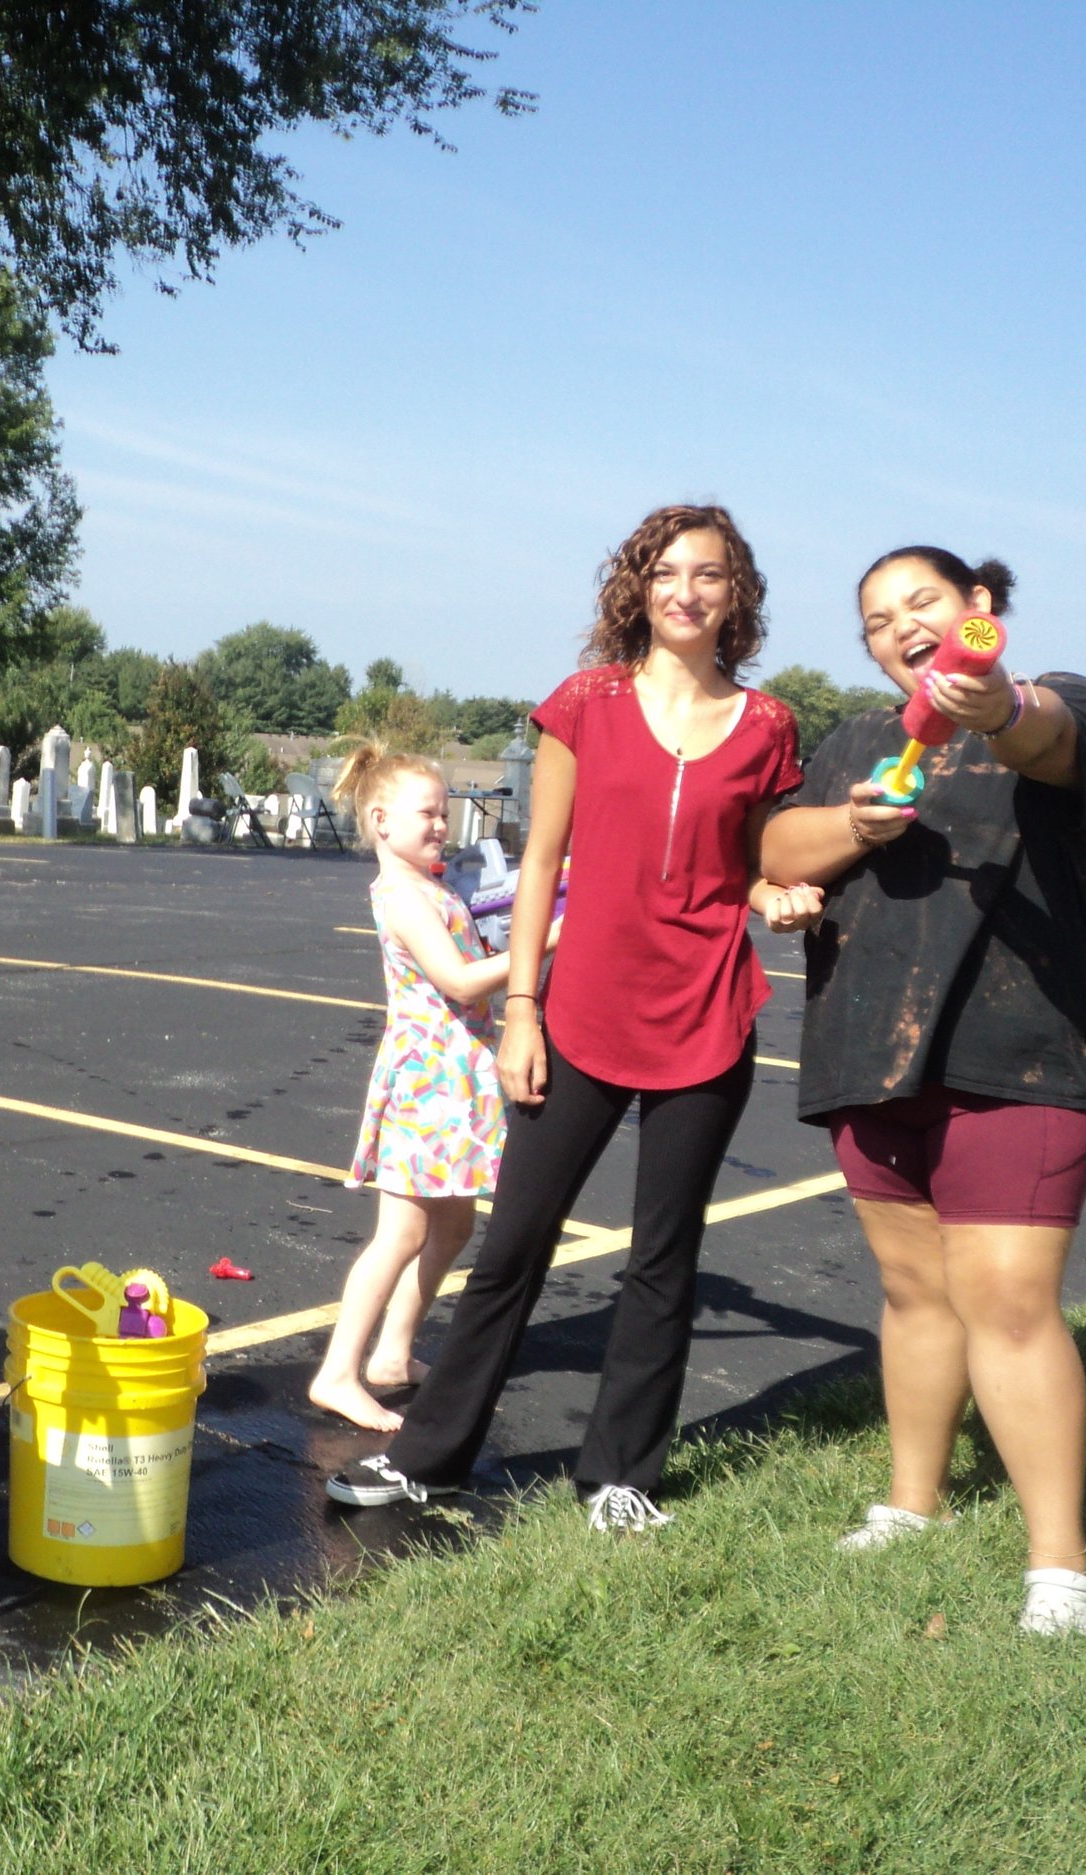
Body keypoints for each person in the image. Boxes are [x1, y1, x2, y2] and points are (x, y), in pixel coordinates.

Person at [326, 504, 823, 1526]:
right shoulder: (586, 703)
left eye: (711, 575)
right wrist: (518, 1009)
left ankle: (622, 1479)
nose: (688, 590)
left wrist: (774, 895)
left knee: (661, 1258)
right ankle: (430, 1455)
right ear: (638, 588)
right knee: (513, 1244)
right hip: (581, 1013)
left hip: (708, 1017)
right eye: (668, 571)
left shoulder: (768, 725)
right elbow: (543, 861)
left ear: (738, 597)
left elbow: (753, 859)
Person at [759, 547, 1086, 1636]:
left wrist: (992, 705)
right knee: (914, 1294)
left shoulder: (1063, 701)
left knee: (1008, 1305)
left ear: (977, 609)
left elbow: (1046, 737)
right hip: (868, 1049)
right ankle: (910, 1505)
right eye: (876, 620)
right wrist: (844, 836)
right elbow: (779, 842)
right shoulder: (856, 743)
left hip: (1021, 1051)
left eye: (920, 602)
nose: (899, 627)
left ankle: (1058, 1565)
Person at [308, 743, 554, 1432]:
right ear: (381, 820)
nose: (443, 824)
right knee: (402, 1229)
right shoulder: (400, 896)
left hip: (456, 1076)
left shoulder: (435, 886)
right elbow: (458, 979)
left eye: (445, 813)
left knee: (452, 1222)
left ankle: (392, 1352)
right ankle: (338, 1371)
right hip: (427, 1080)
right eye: (429, 813)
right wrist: (544, 941)